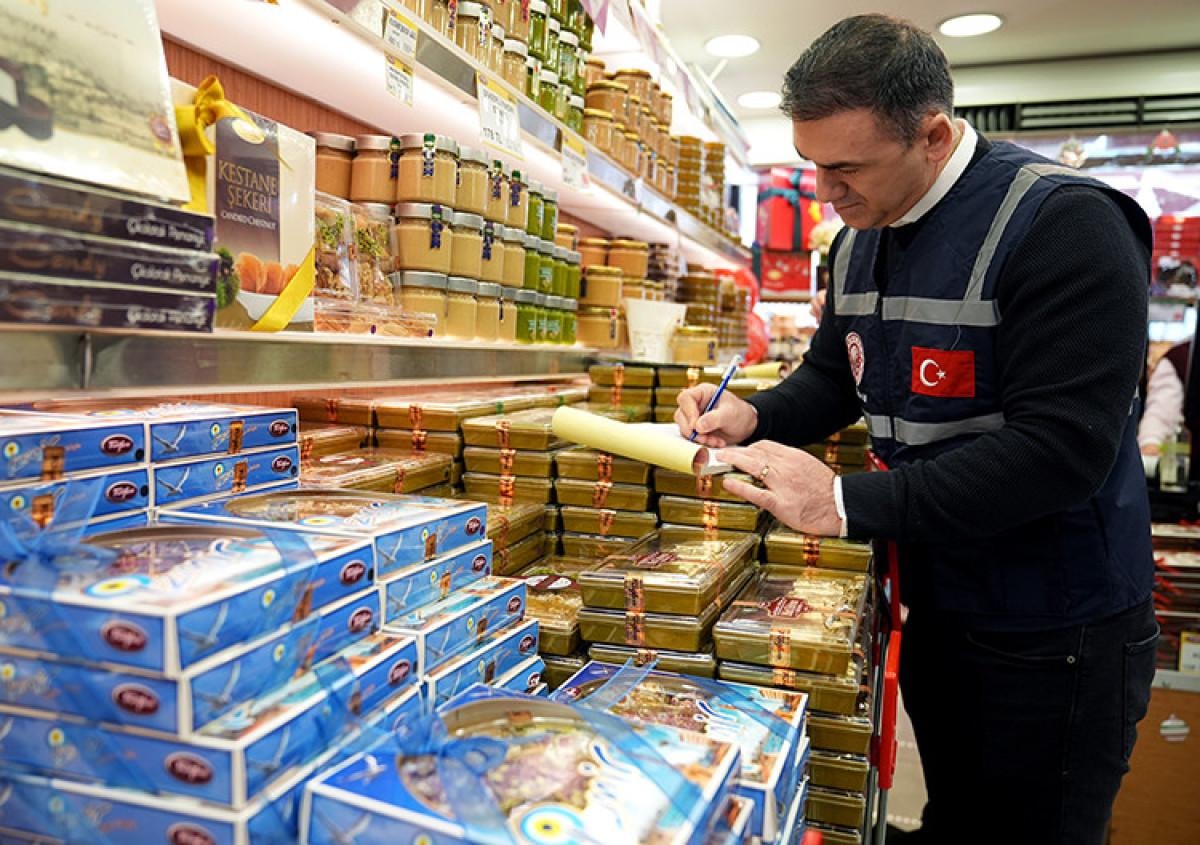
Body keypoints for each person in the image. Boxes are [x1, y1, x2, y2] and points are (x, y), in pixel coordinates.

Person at [676, 15, 1157, 845]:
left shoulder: (1065, 224)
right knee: (956, 817)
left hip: (1058, 626)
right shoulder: (858, 239)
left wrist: (842, 500)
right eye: (813, 165)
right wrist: (756, 411)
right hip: (938, 598)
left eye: (845, 168)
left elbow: (1061, 450)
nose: (825, 192)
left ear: (932, 136)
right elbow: (836, 376)